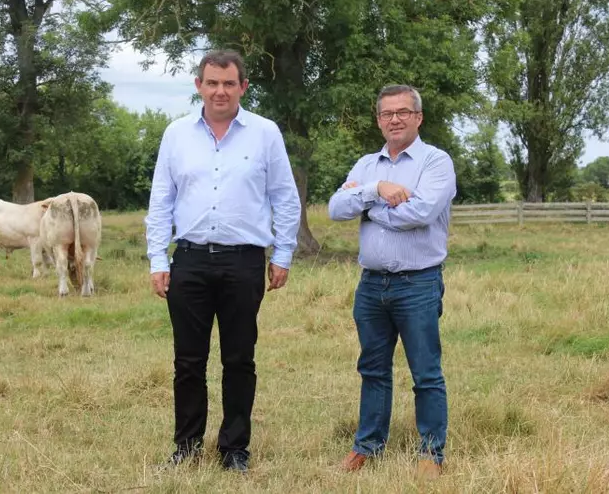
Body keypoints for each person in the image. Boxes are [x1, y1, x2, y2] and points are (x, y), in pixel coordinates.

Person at [144, 49, 301, 473]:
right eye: (212, 82)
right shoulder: (176, 134)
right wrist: (158, 258)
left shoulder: (265, 134)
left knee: (239, 358)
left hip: (244, 263)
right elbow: (161, 201)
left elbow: (285, 197)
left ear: (243, 87)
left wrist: (282, 253)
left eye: (229, 83)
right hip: (190, 261)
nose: (220, 91)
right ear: (199, 85)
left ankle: (234, 448)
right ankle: (187, 446)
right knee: (188, 361)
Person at [328, 84, 456, 480]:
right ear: (379, 120)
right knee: (373, 369)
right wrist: (376, 190)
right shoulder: (367, 165)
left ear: (418, 117)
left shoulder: (436, 162)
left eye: (403, 112)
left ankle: (431, 453)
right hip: (371, 286)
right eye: (387, 114)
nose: (394, 119)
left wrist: (368, 210)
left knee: (426, 371)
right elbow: (335, 208)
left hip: (417, 283)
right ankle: (367, 446)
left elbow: (419, 213)